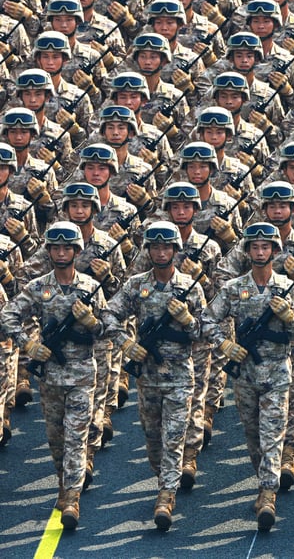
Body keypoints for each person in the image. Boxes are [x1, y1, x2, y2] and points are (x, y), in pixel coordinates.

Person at [1, 222, 108, 530]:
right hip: (50, 375)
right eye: (56, 248)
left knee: (76, 436)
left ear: (76, 251)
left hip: (82, 374)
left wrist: (91, 322)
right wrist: (28, 344)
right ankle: (65, 482)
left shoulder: (90, 287)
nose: (61, 253)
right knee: (56, 437)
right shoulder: (39, 287)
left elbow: (107, 328)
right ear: (49, 251)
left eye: (67, 248)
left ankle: (72, 496)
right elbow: (8, 315)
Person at [102, 221, 206, 530]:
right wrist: (127, 344)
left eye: (166, 247)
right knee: (153, 438)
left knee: (174, 437)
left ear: (175, 250)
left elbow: (206, 331)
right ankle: (164, 477)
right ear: (148, 250)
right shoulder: (136, 285)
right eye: (156, 247)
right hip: (147, 376)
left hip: (180, 375)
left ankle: (166, 495)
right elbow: (108, 314)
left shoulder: (190, 287)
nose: (161, 253)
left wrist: (188, 320)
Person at [199, 222, 294, 531]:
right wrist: (224, 344)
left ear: (274, 250)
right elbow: (207, 320)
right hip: (245, 373)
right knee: (253, 434)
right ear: (247, 251)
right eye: (255, 247)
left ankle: (268, 492)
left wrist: (289, 318)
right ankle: (263, 478)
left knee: (272, 433)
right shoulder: (234, 288)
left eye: (265, 247)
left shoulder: (287, 287)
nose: (260, 252)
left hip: (277, 372)